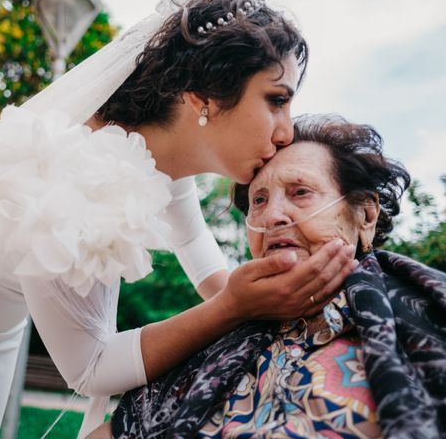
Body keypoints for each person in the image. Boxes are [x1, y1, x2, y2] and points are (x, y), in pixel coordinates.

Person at [0, 0, 357, 439]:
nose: (286, 131)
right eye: (276, 99)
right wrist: (234, 307)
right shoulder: (74, 171)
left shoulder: (166, 157)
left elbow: (200, 257)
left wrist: (285, 304)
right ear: (204, 97)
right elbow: (90, 368)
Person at [110, 115, 446, 439]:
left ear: (366, 215)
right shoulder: (212, 339)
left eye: (300, 192)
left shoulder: (429, 313)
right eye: (259, 200)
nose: (271, 216)